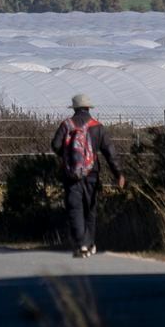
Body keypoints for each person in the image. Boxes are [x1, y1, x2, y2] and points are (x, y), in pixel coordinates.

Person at [51, 94, 124, 258]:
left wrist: (69, 155)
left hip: (71, 174)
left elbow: (55, 145)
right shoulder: (97, 127)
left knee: (75, 207)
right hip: (92, 173)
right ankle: (90, 244)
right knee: (90, 208)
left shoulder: (66, 125)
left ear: (75, 108)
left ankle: (81, 244)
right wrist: (118, 173)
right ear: (88, 108)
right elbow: (110, 152)